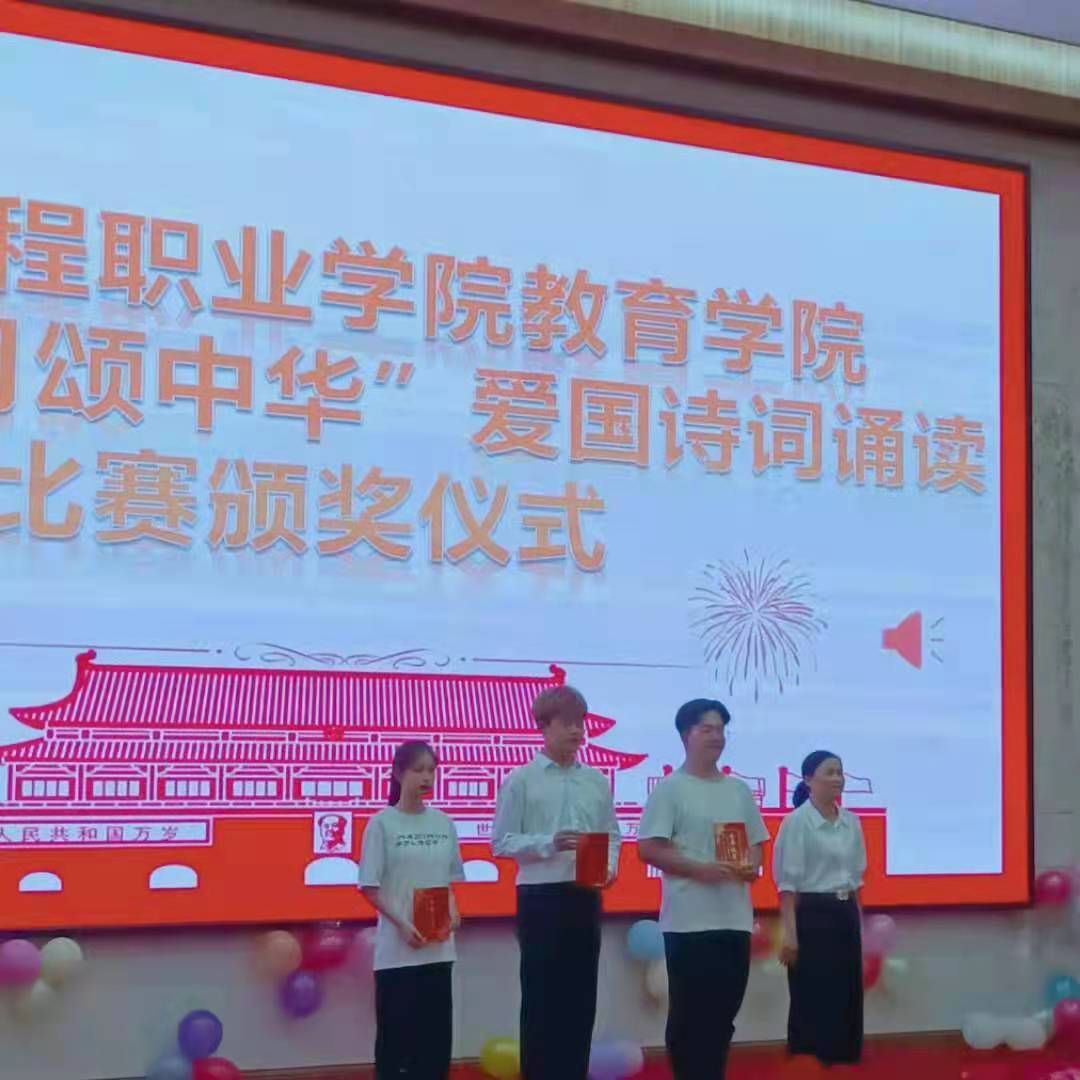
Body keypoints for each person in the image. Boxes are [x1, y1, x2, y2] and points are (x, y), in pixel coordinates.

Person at [491, 684, 622, 1080]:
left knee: (581, 998)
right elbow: (501, 842)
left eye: (580, 722)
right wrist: (549, 842)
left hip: (585, 895)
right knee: (542, 999)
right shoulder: (521, 780)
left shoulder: (596, 781)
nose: (577, 730)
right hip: (541, 897)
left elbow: (611, 834)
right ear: (544, 726)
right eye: (567, 723)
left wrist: (608, 868)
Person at [638, 698, 769, 1080]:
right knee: (689, 1018)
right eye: (706, 729)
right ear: (686, 735)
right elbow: (649, 848)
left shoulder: (738, 790)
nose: (716, 736)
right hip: (689, 922)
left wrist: (751, 865)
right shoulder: (671, 789)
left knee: (723, 1016)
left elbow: (757, 842)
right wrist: (700, 870)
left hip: (735, 919)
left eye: (721, 729)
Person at [358, 740, 464, 1080]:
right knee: (396, 1046)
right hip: (398, 953)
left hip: (439, 951)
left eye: (431, 770)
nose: (426, 777)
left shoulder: (443, 823)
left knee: (435, 1046)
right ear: (397, 773)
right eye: (418, 770)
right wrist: (403, 925)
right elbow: (369, 887)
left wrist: (453, 913)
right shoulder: (382, 824)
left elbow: (449, 880)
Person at [774, 749, 867, 1067]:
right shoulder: (797, 822)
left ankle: (844, 1060)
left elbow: (856, 881)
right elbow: (787, 887)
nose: (837, 778)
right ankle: (809, 1061)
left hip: (845, 912)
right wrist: (790, 935)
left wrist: (860, 924)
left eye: (840, 772)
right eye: (829, 772)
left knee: (847, 992)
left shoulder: (852, 822)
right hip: (812, 915)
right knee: (811, 993)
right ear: (808, 779)